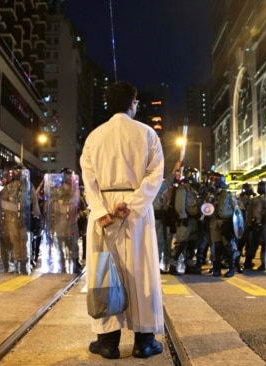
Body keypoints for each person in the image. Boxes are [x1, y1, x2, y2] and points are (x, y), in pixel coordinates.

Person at [80, 81, 164, 360]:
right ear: (132, 104)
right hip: (136, 214)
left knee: (105, 272)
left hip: (104, 214)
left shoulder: (94, 136)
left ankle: (107, 341)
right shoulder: (147, 133)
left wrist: (102, 210)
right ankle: (144, 341)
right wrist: (133, 204)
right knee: (141, 273)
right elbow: (155, 175)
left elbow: (88, 178)